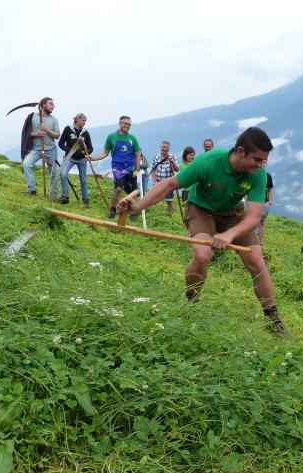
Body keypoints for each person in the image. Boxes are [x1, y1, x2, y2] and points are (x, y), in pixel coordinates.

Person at [119, 127, 290, 336]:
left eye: (264, 160)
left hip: (233, 213)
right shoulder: (209, 161)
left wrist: (229, 234)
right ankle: (191, 300)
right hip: (201, 209)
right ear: (240, 151)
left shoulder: (258, 174)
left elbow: (254, 216)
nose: (261, 164)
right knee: (202, 255)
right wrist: (138, 206)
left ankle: (273, 319)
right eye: (257, 159)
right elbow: (170, 184)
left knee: (257, 263)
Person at [88, 116, 141, 219]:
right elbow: (105, 153)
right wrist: (93, 158)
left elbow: (138, 154)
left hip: (131, 167)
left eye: (129, 124)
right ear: (120, 123)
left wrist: (136, 169)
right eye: (125, 123)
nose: (127, 126)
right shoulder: (111, 137)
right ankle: (113, 209)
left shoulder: (132, 138)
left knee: (132, 192)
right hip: (118, 168)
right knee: (118, 189)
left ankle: (133, 212)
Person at [19, 97, 59, 194]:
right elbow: (26, 132)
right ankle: (32, 188)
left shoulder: (54, 119)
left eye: (53, 104)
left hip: (50, 149)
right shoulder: (32, 117)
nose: (53, 106)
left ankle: (53, 195)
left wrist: (46, 129)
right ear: (43, 105)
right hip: (36, 149)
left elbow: (57, 135)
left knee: (54, 172)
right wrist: (36, 134)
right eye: (50, 104)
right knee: (26, 164)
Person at [57, 113, 94, 207]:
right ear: (77, 119)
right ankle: (65, 197)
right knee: (63, 174)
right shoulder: (68, 129)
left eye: (85, 120)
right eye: (83, 120)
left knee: (83, 180)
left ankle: (86, 200)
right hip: (69, 158)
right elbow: (61, 144)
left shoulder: (85, 132)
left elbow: (90, 148)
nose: (84, 122)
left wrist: (85, 153)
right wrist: (70, 151)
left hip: (82, 159)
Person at [150, 141, 180, 215]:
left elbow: (177, 169)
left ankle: (170, 216)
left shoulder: (172, 157)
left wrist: (172, 161)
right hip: (158, 182)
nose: (165, 149)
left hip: (168, 183)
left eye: (166, 147)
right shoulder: (156, 157)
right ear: (161, 147)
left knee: (169, 201)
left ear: (169, 148)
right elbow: (152, 170)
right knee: (154, 200)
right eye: (163, 147)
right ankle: (156, 216)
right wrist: (155, 181)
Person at [257, 171, 274, 245]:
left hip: (264, 202)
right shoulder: (251, 173)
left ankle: (261, 242)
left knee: (261, 222)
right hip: (252, 201)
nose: (263, 163)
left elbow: (270, 189)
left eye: (265, 162)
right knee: (252, 220)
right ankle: (251, 240)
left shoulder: (268, 176)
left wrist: (269, 202)